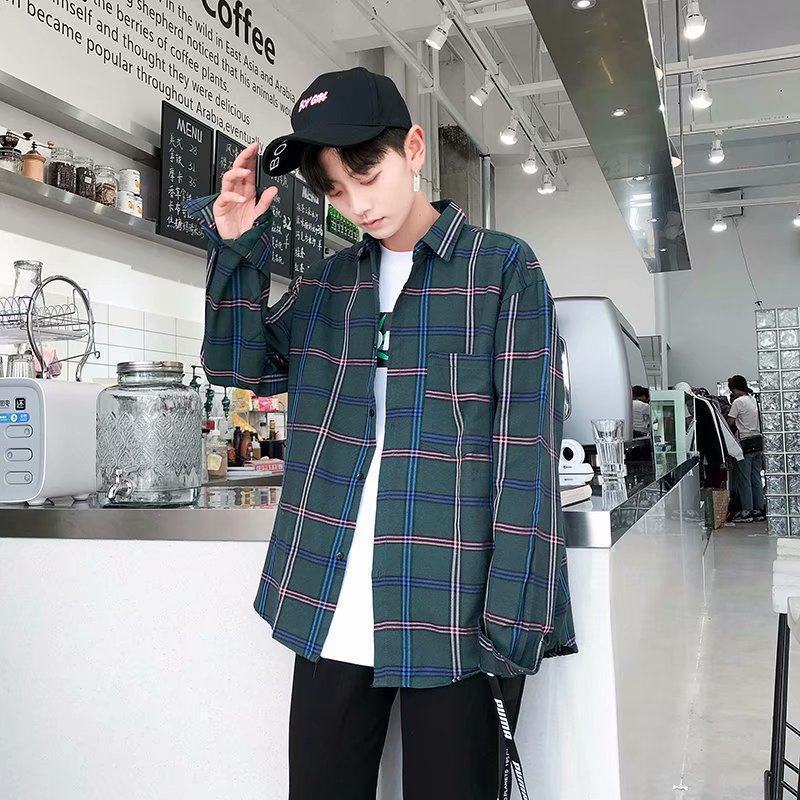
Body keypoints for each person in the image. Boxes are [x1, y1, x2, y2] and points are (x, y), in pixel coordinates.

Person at [187, 66, 576, 800]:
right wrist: (235, 246)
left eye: (366, 174)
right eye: (335, 190)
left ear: (414, 149)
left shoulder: (502, 270)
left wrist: (510, 624)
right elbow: (237, 365)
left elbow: (525, 456)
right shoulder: (328, 284)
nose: (357, 204)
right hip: (330, 597)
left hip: (452, 605)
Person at [727, 375, 766, 522]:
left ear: (735, 389)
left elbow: (730, 421)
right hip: (758, 441)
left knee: (744, 478)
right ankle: (759, 510)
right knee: (756, 477)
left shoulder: (738, 402)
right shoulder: (753, 400)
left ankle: (746, 511)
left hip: (745, 442)